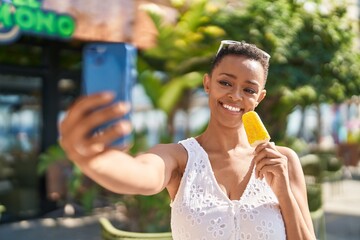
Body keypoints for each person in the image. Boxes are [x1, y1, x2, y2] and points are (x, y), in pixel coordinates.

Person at [59, 40, 316, 240]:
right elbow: (140, 174)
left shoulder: (284, 161)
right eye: (225, 82)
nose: (236, 96)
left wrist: (283, 191)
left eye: (249, 89)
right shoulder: (181, 158)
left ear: (259, 97)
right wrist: (92, 159)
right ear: (207, 84)